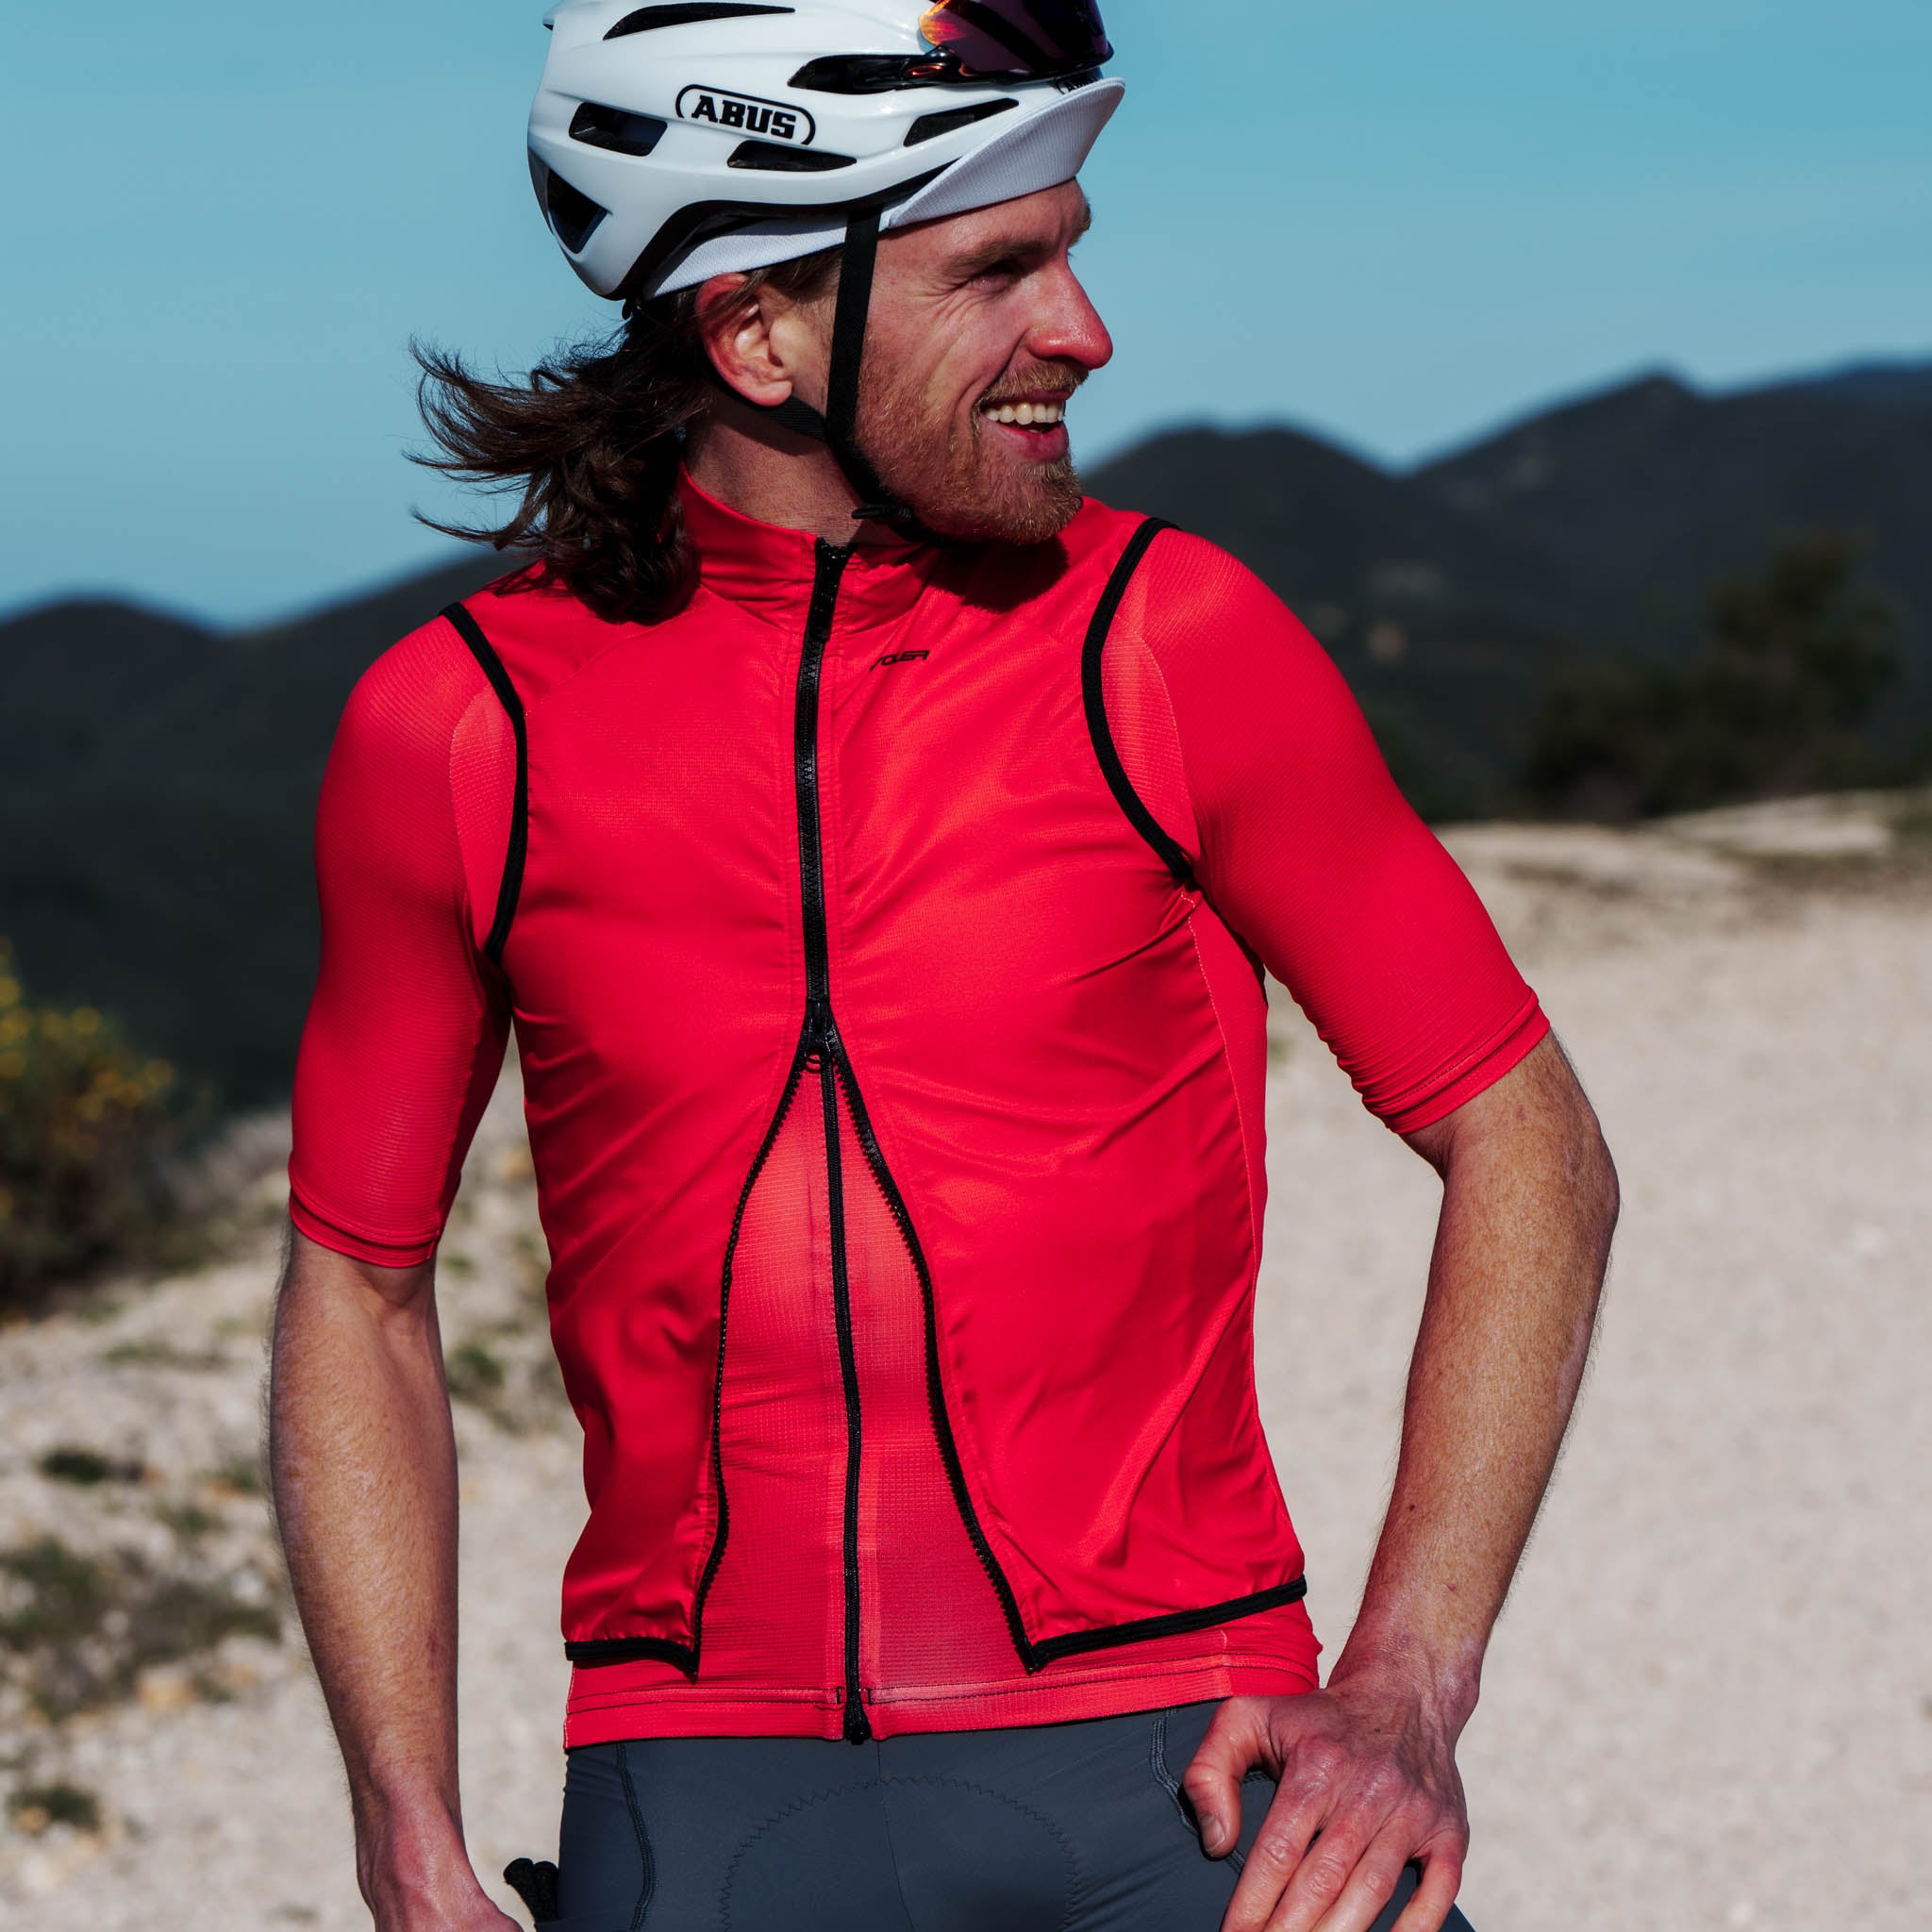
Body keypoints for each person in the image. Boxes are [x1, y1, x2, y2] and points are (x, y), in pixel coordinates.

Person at [268, 3, 1619, 1928]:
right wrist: (404, 1832)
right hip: (701, 1812)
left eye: (1069, 246)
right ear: (755, 333)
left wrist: (1401, 1686)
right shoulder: (459, 727)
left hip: (1189, 1788)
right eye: (1001, 267)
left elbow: (1530, 1147)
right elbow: (356, 1285)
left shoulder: (1171, 641)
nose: (1086, 327)